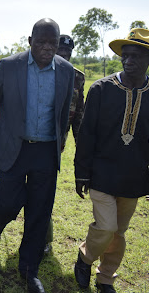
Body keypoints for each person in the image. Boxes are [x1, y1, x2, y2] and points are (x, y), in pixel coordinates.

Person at [0, 18, 74, 293]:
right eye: (41, 42)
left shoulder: (66, 71)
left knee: (39, 213)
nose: (46, 48)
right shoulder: (10, 66)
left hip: (45, 150)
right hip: (13, 148)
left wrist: (61, 142)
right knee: (8, 201)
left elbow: (64, 111)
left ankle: (29, 270)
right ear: (30, 41)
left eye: (52, 43)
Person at [73, 28, 149, 293]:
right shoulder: (101, 89)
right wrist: (82, 173)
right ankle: (85, 257)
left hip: (135, 177)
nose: (128, 60)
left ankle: (105, 278)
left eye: (136, 56)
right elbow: (86, 133)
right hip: (101, 173)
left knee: (119, 233)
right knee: (106, 227)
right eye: (125, 55)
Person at [43, 34, 85, 255]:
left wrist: (83, 148)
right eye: (60, 53)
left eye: (67, 54)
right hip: (29, 140)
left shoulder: (77, 77)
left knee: (46, 191)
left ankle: (43, 238)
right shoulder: (39, 72)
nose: (63, 57)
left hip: (55, 145)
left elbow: (79, 114)